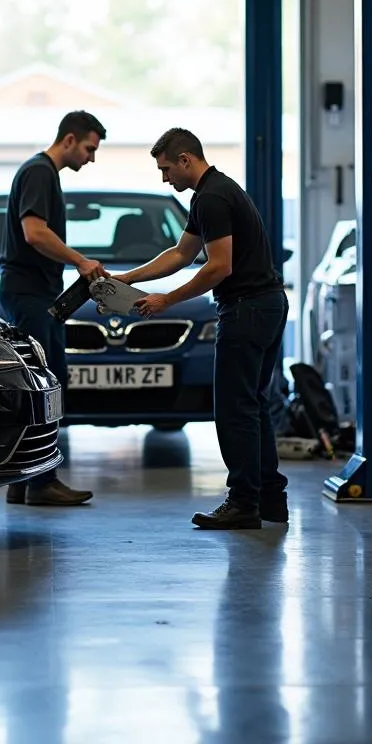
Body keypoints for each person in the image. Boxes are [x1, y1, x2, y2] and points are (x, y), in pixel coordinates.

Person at [117, 128, 289, 529]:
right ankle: (269, 499)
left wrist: (167, 300)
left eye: (165, 170)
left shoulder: (211, 197)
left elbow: (218, 266)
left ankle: (244, 502)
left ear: (186, 160)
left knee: (234, 410)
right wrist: (130, 279)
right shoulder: (213, 191)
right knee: (253, 404)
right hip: (266, 304)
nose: (164, 179)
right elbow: (181, 253)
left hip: (246, 309)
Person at [0, 110, 108, 506]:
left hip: (38, 294)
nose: (91, 158)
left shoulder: (43, 173)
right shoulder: (40, 172)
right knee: (47, 385)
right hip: (30, 295)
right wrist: (79, 260)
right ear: (68, 140)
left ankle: (23, 480)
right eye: (89, 149)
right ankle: (42, 482)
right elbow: (34, 233)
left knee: (41, 383)